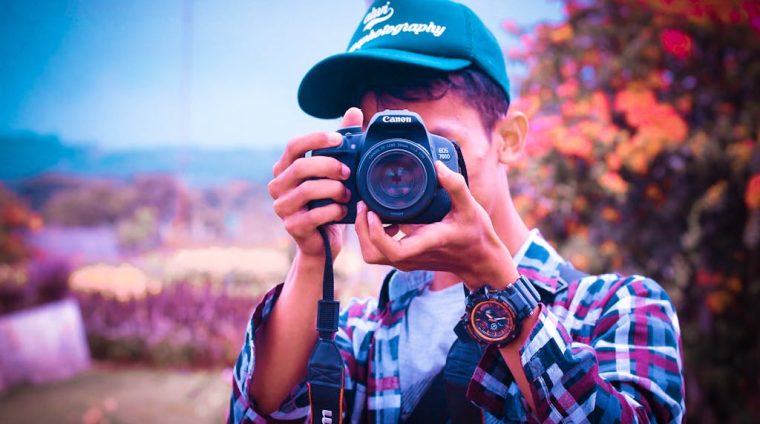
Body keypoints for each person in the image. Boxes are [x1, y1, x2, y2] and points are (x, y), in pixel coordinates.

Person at [228, 0, 685, 422]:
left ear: (508, 139)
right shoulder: (359, 333)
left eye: (433, 147)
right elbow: (259, 413)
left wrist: (497, 285)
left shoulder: (616, 308)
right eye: (380, 149)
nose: (404, 171)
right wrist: (313, 257)